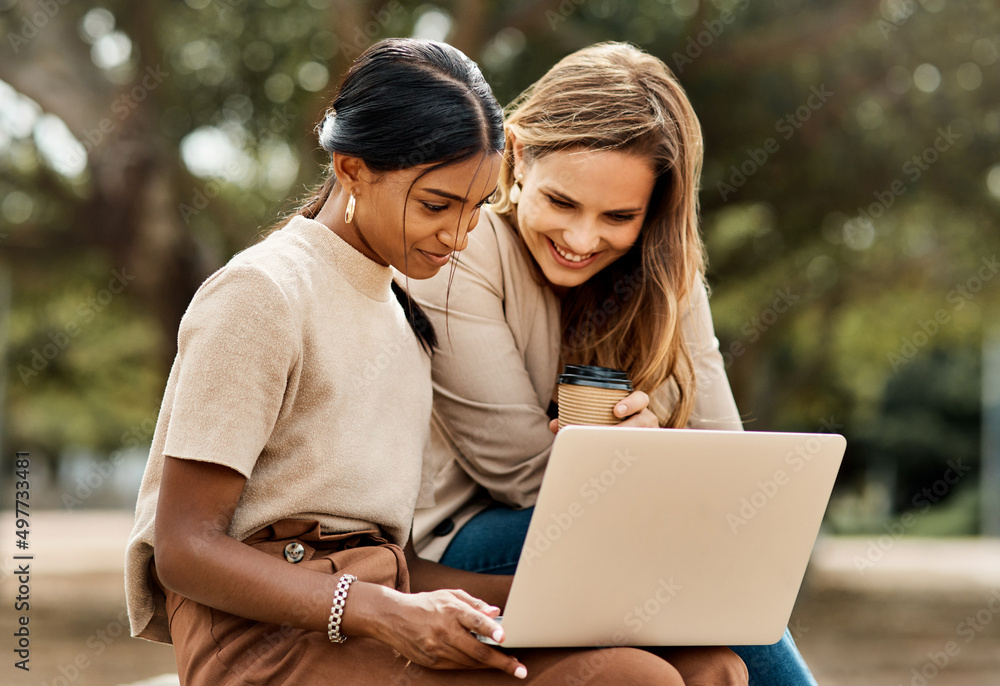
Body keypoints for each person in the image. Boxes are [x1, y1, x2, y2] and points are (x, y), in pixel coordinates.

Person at [125, 38, 745, 685]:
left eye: (477, 208)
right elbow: (185, 551)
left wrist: (556, 600)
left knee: (710, 664)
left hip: (377, 605)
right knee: (632, 680)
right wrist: (376, 610)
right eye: (436, 205)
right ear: (352, 169)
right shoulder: (263, 292)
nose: (459, 235)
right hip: (261, 642)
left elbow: (387, 560)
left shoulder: (402, 315)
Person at [409, 41, 816, 685]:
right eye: (562, 203)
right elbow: (518, 475)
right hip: (469, 536)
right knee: (696, 555)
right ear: (516, 157)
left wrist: (652, 462)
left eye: (619, 216)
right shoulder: (462, 252)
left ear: (653, 212)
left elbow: (730, 459)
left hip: (618, 532)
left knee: (717, 652)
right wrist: (644, 474)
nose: (581, 239)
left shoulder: (668, 279)